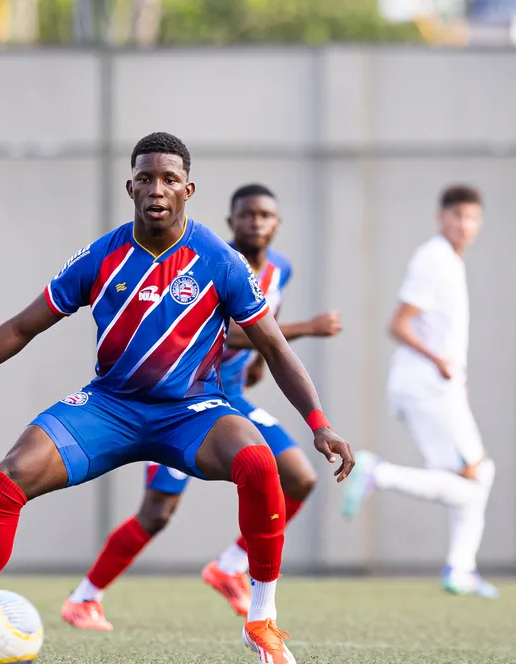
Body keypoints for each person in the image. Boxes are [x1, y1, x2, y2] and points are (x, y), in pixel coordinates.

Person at [0, 133, 355, 664]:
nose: (158, 189)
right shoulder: (100, 256)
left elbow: (273, 345)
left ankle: (262, 620)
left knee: (259, 463)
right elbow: (20, 327)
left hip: (192, 412)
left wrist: (319, 424)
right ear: (130, 186)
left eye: (170, 179)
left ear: (188, 189)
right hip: (108, 407)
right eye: (147, 178)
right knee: (6, 478)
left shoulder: (220, 261)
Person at [59, 184, 343, 630]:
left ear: (277, 223)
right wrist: (306, 328)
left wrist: (256, 369)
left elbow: (255, 338)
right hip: (189, 401)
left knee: (300, 477)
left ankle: (230, 565)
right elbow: (235, 328)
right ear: (232, 223)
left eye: (265, 215)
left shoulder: (280, 270)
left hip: (234, 401)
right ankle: (84, 597)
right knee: (157, 514)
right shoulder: (209, 260)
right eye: (246, 215)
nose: (256, 223)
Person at [341, 184, 498, 598]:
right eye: (456, 216)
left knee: (471, 485)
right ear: (441, 217)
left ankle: (461, 570)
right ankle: (378, 473)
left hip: (438, 389)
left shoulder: (450, 261)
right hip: (426, 387)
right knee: (478, 477)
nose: (464, 225)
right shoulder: (434, 259)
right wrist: (440, 362)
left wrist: (455, 377)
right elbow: (399, 324)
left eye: (472, 218)